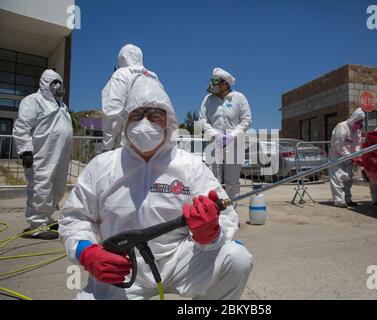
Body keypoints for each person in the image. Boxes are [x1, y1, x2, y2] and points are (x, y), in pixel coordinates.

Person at [59, 75, 253, 300]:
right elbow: (75, 217)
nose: (144, 123)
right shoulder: (102, 166)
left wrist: (210, 233)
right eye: (137, 115)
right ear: (125, 121)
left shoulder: (189, 165)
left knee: (237, 258)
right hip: (122, 268)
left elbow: (225, 215)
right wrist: (86, 251)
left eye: (154, 116)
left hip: (179, 261)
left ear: (168, 122)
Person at [12, 69, 73, 240]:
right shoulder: (33, 101)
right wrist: (25, 150)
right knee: (41, 186)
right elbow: (22, 126)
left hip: (59, 156)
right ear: (45, 84)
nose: (57, 86)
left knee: (58, 187)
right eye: (53, 82)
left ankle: (47, 218)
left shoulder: (62, 105)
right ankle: (37, 225)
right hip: (42, 154)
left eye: (59, 82)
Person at [199, 67, 252, 206]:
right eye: (213, 82)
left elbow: (246, 119)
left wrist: (232, 136)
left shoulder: (239, 98)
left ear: (226, 83)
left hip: (235, 145)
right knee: (213, 180)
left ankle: (231, 214)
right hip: (213, 144)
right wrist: (216, 135)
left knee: (232, 182)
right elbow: (202, 120)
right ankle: (215, 216)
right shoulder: (208, 100)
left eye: (217, 82)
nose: (213, 85)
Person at [101, 44, 164, 151]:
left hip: (127, 147)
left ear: (121, 58)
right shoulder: (154, 77)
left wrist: (106, 147)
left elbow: (112, 112)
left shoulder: (121, 74)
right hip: (154, 147)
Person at [328, 108, 365, 208]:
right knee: (338, 178)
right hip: (337, 157)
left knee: (348, 179)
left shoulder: (357, 130)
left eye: (361, 122)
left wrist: (357, 156)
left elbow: (358, 143)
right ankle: (339, 200)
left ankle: (347, 199)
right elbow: (339, 144)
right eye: (359, 121)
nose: (360, 123)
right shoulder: (342, 126)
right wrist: (350, 156)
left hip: (349, 158)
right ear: (354, 118)